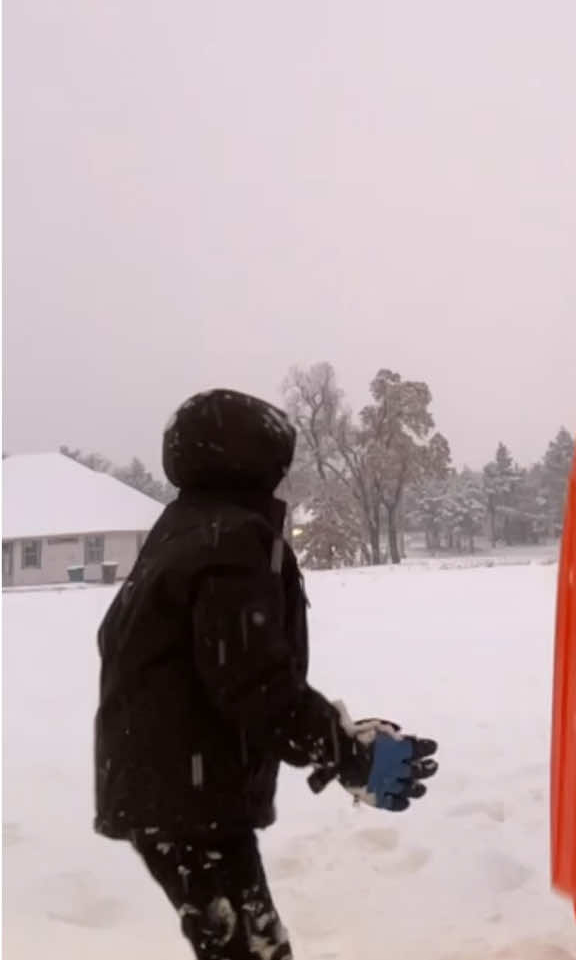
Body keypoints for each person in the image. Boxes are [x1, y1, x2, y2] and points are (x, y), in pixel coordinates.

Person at [94, 388, 438, 960]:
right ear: (248, 458)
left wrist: (334, 741)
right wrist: (346, 752)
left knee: (249, 943)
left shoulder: (186, 528)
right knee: (248, 948)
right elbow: (251, 680)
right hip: (186, 797)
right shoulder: (229, 539)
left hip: (174, 788)